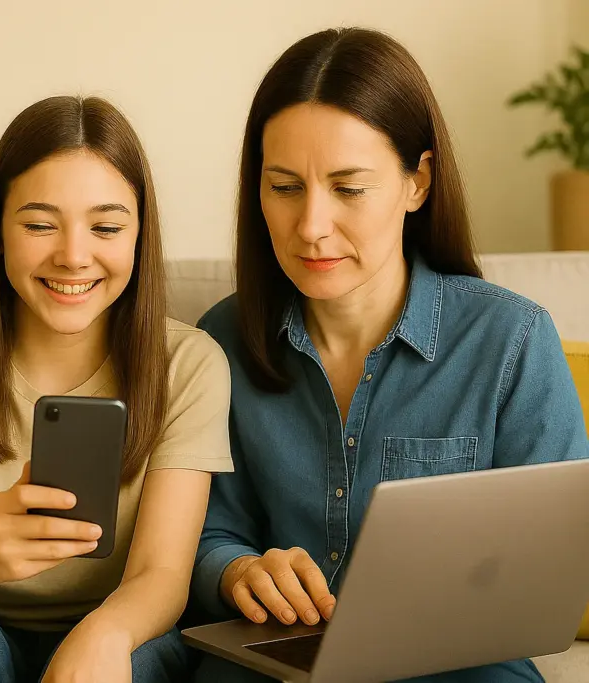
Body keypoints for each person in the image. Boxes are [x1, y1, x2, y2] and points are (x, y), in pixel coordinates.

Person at [190, 27, 589, 683]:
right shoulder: (222, 341)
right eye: (285, 187)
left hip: (459, 665)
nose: (311, 225)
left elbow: (553, 574)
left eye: (348, 188)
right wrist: (238, 571)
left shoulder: (511, 341)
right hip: (275, 659)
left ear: (417, 182)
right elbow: (201, 535)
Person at [0, 94, 234, 683]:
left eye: (107, 226)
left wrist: (101, 637)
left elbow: (161, 579)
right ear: (0, 231)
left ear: (140, 235)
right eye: (39, 224)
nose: (73, 256)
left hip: (119, 627)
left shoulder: (188, 364)